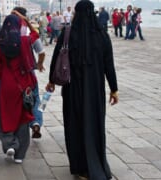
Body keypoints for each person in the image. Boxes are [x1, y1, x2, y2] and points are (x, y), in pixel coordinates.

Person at [46, 0, 119, 179]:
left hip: (73, 90)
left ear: (77, 14)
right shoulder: (102, 34)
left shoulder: (68, 33)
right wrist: (114, 89)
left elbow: (57, 57)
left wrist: (51, 81)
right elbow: (109, 64)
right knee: (94, 125)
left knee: (74, 125)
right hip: (95, 90)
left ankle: (79, 166)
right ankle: (95, 164)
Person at [0, 13, 38, 164]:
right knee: (23, 117)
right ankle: (20, 155)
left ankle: (10, 144)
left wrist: (2, 76)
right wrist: (27, 22)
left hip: (7, 84)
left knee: (7, 115)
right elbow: (36, 33)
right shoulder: (25, 40)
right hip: (24, 85)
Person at [11, 7, 46, 139]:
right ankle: (36, 122)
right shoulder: (28, 34)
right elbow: (42, 53)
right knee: (36, 99)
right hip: (29, 74)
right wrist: (39, 64)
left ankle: (14, 128)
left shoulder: (3, 33)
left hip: (12, 75)